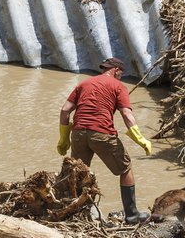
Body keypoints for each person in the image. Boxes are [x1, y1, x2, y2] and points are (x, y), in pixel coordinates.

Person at [57, 57, 154, 224]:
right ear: (116, 70)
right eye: (121, 74)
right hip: (102, 133)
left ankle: (74, 214)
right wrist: (140, 138)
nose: (121, 77)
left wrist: (64, 137)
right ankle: (131, 215)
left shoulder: (84, 84)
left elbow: (65, 110)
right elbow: (126, 114)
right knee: (126, 169)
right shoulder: (118, 86)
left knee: (77, 172)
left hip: (79, 133)